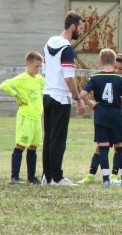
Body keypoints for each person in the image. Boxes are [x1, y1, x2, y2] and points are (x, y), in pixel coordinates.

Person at [78, 53, 122, 185]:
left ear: (100, 62)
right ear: (113, 62)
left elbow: (83, 94)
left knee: (103, 147)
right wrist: (118, 101)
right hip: (116, 116)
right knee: (120, 147)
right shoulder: (119, 78)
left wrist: (91, 104)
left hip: (101, 116)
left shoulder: (95, 77)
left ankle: (105, 180)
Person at [42, 11, 86, 186]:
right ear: (73, 27)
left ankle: (47, 176)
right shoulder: (67, 49)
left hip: (47, 95)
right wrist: (77, 98)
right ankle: (57, 178)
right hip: (61, 98)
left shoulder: (49, 42)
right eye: (80, 28)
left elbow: (44, 70)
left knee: (48, 138)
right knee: (59, 139)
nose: (81, 32)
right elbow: (68, 77)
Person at [0, 51, 45, 184]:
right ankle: (14, 177)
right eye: (36, 66)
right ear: (28, 64)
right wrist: (17, 96)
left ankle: (31, 177)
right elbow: (4, 85)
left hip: (37, 118)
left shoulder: (39, 79)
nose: (38, 69)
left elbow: (44, 89)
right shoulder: (22, 78)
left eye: (40, 67)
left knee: (33, 147)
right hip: (25, 117)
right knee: (20, 145)